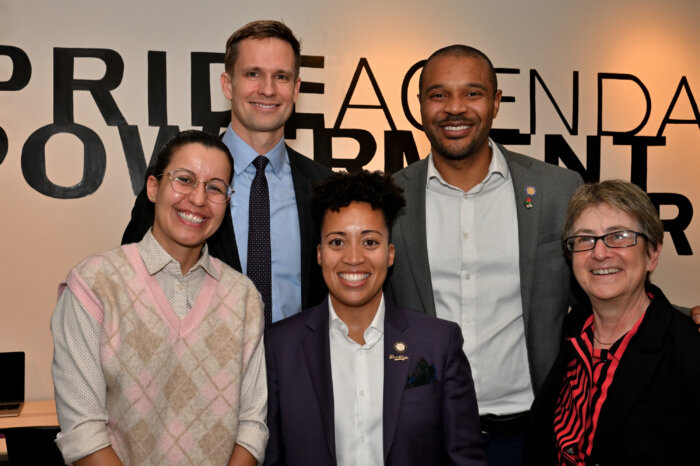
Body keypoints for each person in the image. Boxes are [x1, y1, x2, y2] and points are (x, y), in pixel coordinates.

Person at [385, 45, 583, 465]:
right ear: (420, 106)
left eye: (472, 94)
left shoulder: (556, 190)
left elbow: (601, 288)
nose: (454, 108)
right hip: (425, 434)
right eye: (438, 95)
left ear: (496, 103)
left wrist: (677, 317)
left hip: (531, 435)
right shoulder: (390, 198)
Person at [51, 130, 267, 465]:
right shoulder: (94, 285)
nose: (198, 199)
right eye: (184, 179)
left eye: (214, 188)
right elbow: (83, 431)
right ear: (153, 187)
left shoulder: (244, 298)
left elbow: (252, 425)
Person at [264, 171, 486, 465]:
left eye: (369, 242)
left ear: (390, 253)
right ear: (319, 254)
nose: (353, 257)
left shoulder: (438, 342)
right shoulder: (280, 346)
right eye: (337, 242)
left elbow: (466, 459)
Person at [122, 20, 331, 324]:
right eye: (253, 74)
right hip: (198, 368)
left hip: (297, 370)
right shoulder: (176, 181)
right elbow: (131, 281)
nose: (268, 89)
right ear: (227, 85)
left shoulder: (326, 187)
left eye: (281, 76)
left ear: (296, 89)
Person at [523, 180, 700, 465]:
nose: (600, 253)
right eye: (584, 239)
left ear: (652, 253)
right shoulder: (571, 330)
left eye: (619, 236)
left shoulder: (688, 351)